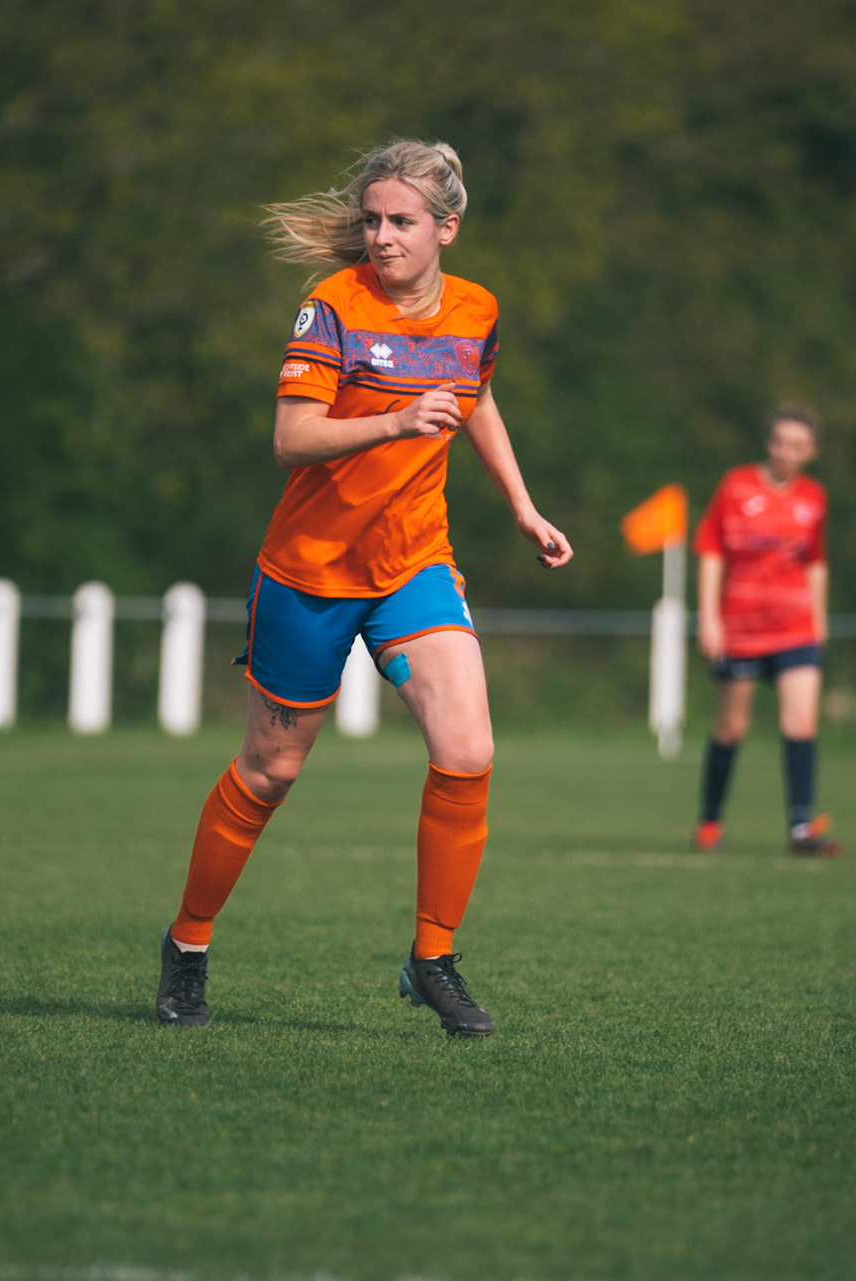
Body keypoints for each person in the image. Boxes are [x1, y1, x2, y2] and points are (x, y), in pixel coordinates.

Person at [155, 139, 573, 1037]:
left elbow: (475, 396)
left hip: (415, 562)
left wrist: (522, 505)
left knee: (468, 749)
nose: (381, 236)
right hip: (310, 570)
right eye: (373, 220)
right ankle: (188, 943)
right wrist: (394, 420)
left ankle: (433, 959)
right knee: (270, 771)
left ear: (446, 229)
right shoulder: (333, 306)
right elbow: (291, 439)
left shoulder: (476, 309)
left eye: (401, 222)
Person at [691, 406, 842, 856]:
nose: (785, 452)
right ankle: (710, 821)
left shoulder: (814, 498)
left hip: (796, 628)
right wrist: (709, 616)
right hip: (741, 628)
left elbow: (815, 562)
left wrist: (819, 619)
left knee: (802, 721)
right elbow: (711, 551)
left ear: (812, 451)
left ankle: (801, 827)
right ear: (768, 441)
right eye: (779, 441)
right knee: (731, 727)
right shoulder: (736, 486)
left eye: (797, 445)